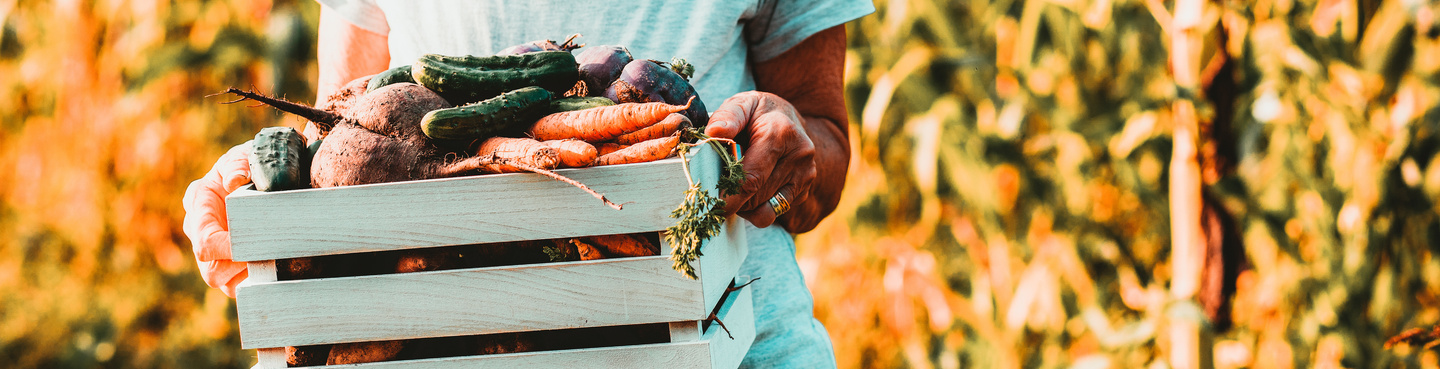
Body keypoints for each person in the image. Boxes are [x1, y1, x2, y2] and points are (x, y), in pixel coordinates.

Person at [182, 0, 873, 366]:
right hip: (451, 341)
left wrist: (786, 155)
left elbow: (827, 143)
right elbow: (346, 118)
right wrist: (262, 189)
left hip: (733, 340)